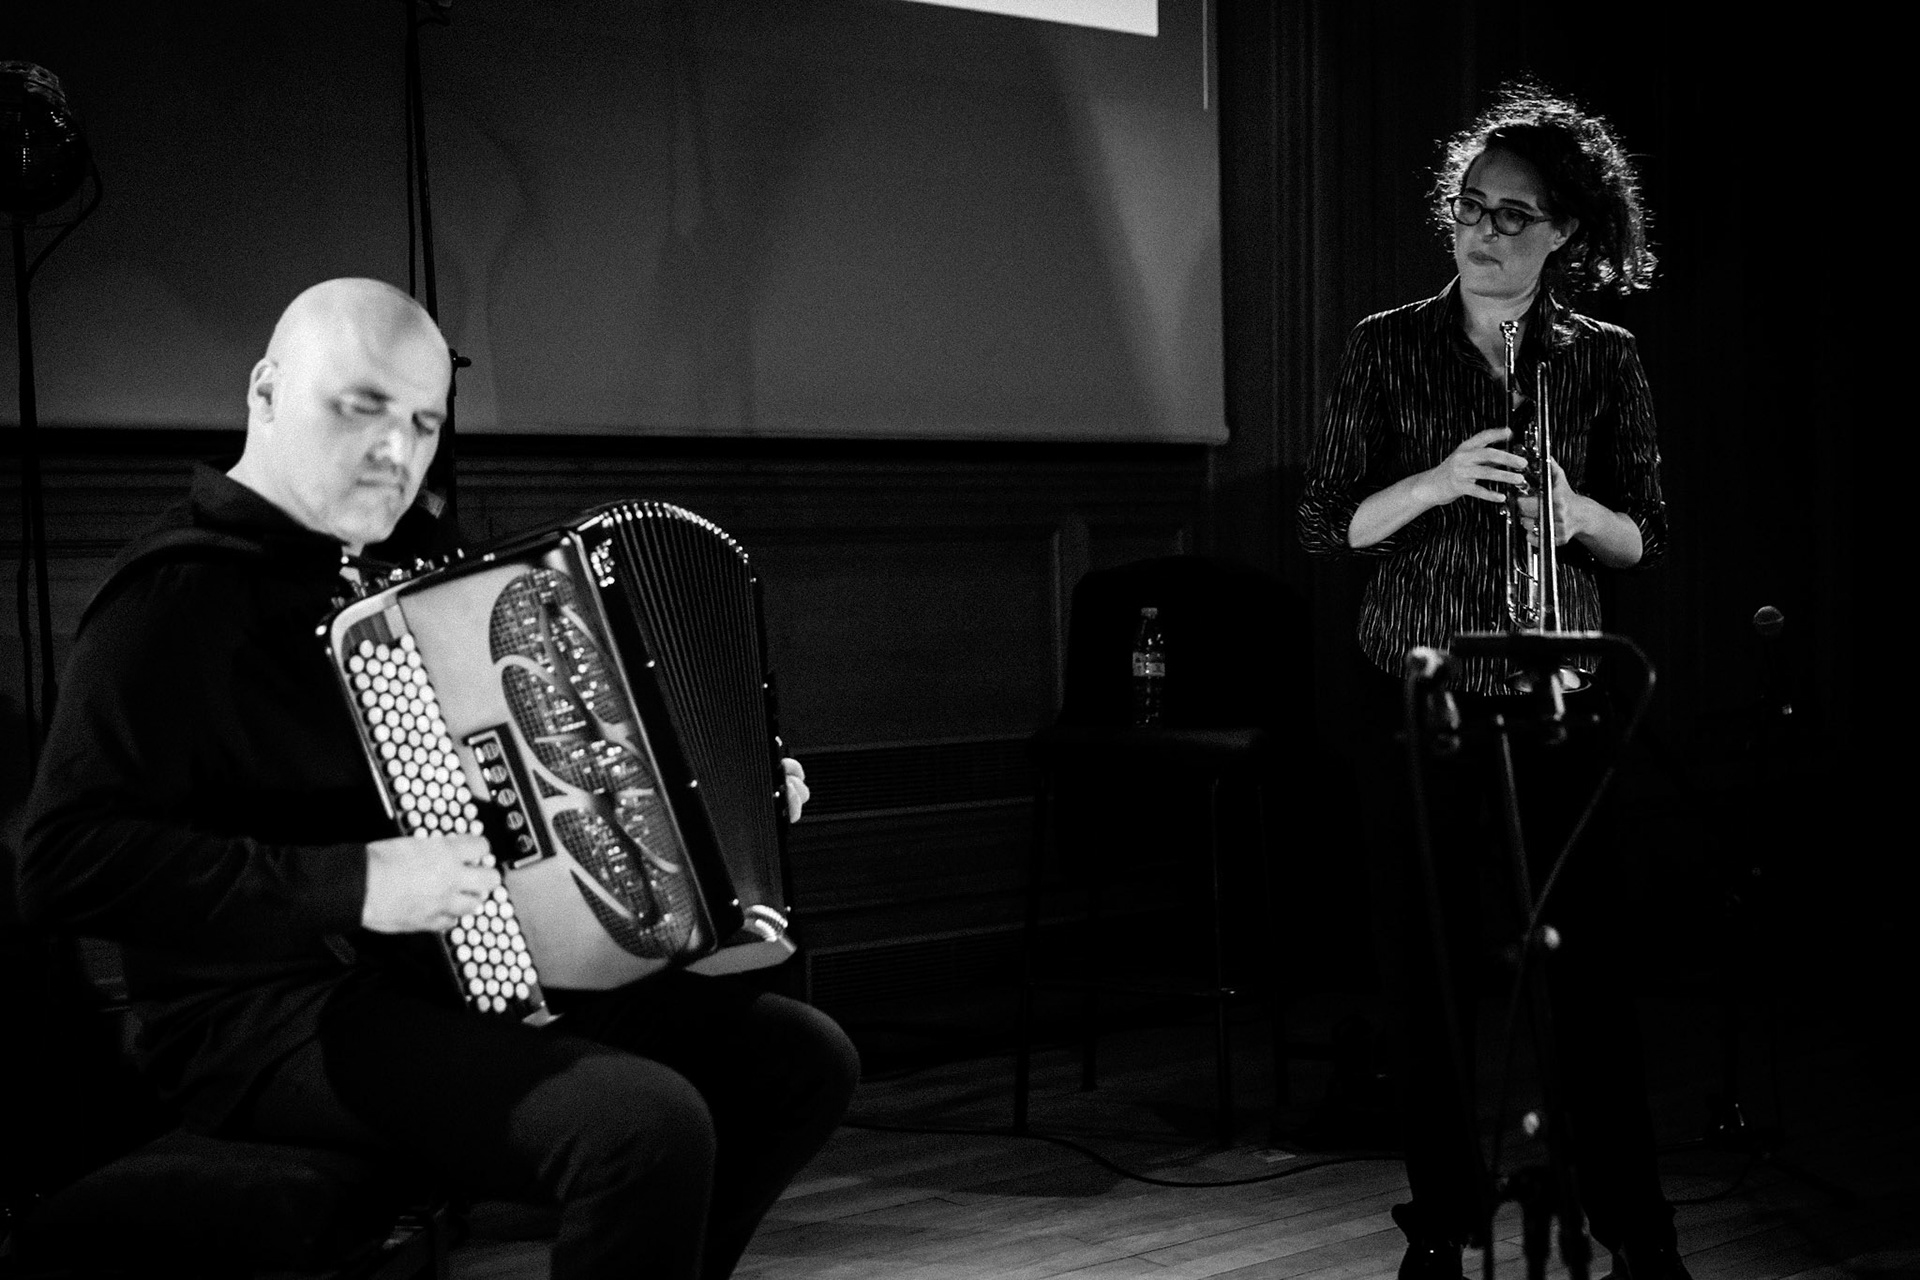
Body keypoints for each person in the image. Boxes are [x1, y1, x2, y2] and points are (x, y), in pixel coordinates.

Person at [16, 277, 858, 1280]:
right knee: (644, 1125)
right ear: (266, 390)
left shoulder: (401, 566)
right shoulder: (173, 600)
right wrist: (360, 882)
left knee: (799, 1060)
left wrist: (722, 807)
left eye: (421, 421)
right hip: (266, 1016)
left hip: (444, 976)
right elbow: (64, 863)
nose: (396, 450)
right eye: (361, 407)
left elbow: (520, 775)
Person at [1297, 88, 1684, 1280]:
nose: (1484, 229)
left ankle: (1635, 1227)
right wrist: (1435, 480)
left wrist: (1576, 513)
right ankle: (1446, 1222)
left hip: (1559, 694)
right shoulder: (1387, 343)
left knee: (1588, 973)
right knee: (1424, 975)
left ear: (1565, 230)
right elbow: (1327, 522)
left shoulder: (1602, 358)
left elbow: (1645, 537)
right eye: (1471, 205)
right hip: (1420, 694)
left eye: (1514, 214)